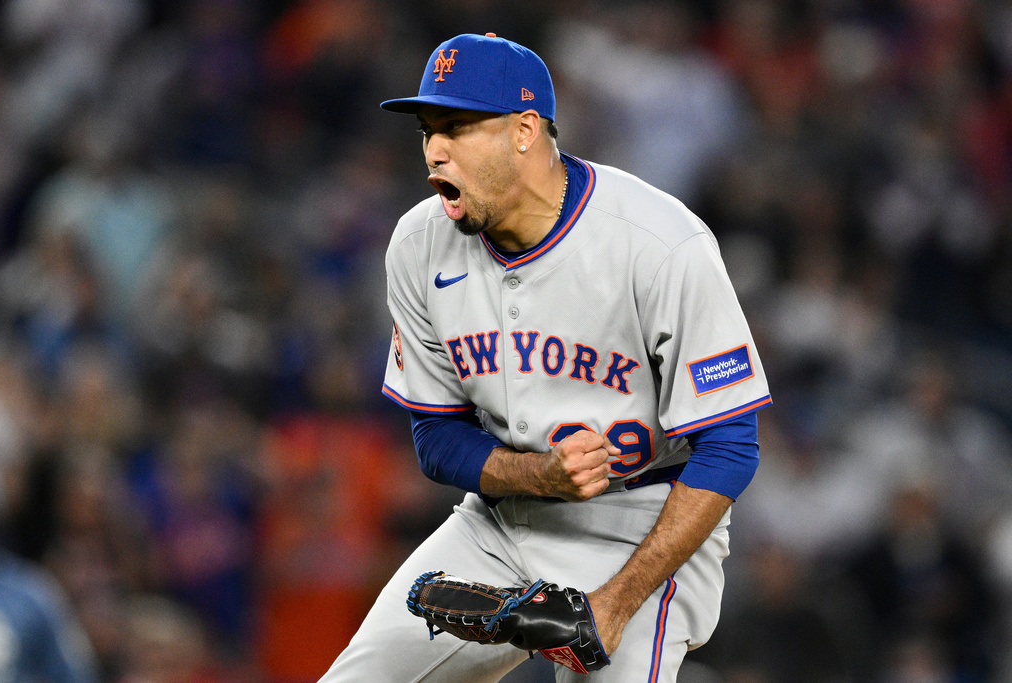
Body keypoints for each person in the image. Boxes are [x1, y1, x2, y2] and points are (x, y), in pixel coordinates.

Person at [320, 33, 772, 682]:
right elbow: (436, 437)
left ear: (526, 130)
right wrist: (535, 478)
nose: (434, 151)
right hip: (499, 519)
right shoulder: (419, 244)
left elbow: (731, 445)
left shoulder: (659, 243)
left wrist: (614, 603)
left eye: (456, 127)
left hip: (644, 525)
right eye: (427, 130)